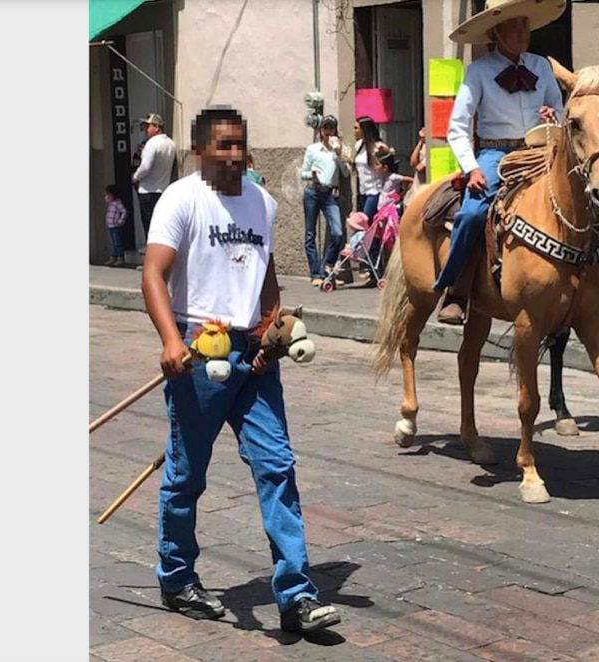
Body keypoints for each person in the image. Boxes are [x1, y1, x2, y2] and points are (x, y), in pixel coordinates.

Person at [141, 106, 342, 634]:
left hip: (252, 354)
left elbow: (266, 278)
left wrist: (271, 335)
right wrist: (169, 340)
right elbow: (153, 275)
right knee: (186, 474)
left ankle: (297, 594)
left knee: (276, 464)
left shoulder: (264, 203)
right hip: (199, 349)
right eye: (222, 147)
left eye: (239, 146)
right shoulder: (180, 200)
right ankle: (177, 576)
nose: (233, 156)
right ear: (200, 152)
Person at [433, 0, 566, 325]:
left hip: (538, 152)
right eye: (515, 27)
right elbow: (457, 127)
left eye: (525, 26)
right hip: (495, 155)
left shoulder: (542, 66)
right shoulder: (477, 71)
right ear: (496, 32)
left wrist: (554, 117)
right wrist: (472, 167)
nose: (523, 33)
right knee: (474, 212)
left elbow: (561, 111)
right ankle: (456, 290)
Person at [299, 115, 350, 286]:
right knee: (310, 233)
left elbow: (346, 173)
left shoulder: (339, 150)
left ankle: (327, 266)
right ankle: (315, 274)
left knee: (338, 232)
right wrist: (311, 175)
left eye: (331, 128)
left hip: (330, 194)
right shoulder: (313, 149)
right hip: (313, 191)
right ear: (321, 130)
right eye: (325, 128)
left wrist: (339, 154)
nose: (328, 131)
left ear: (335, 130)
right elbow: (303, 173)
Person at [133, 112, 177, 238]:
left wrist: (135, 177)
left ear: (157, 127)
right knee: (162, 226)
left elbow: (145, 167)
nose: (146, 130)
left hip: (147, 191)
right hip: (163, 190)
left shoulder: (151, 144)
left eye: (148, 126)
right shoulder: (170, 143)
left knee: (150, 227)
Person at [352, 117, 390, 227]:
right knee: (366, 222)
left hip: (375, 190)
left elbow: (387, 166)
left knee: (366, 221)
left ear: (364, 130)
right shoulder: (359, 145)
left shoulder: (378, 147)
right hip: (362, 191)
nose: (354, 131)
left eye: (356, 128)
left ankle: (372, 244)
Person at [103, 184, 128, 267]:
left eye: (108, 195)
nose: (106, 197)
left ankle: (120, 258)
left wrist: (121, 221)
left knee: (118, 242)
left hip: (116, 226)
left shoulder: (117, 203)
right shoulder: (111, 204)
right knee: (113, 243)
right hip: (110, 226)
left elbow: (124, 211)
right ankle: (113, 257)